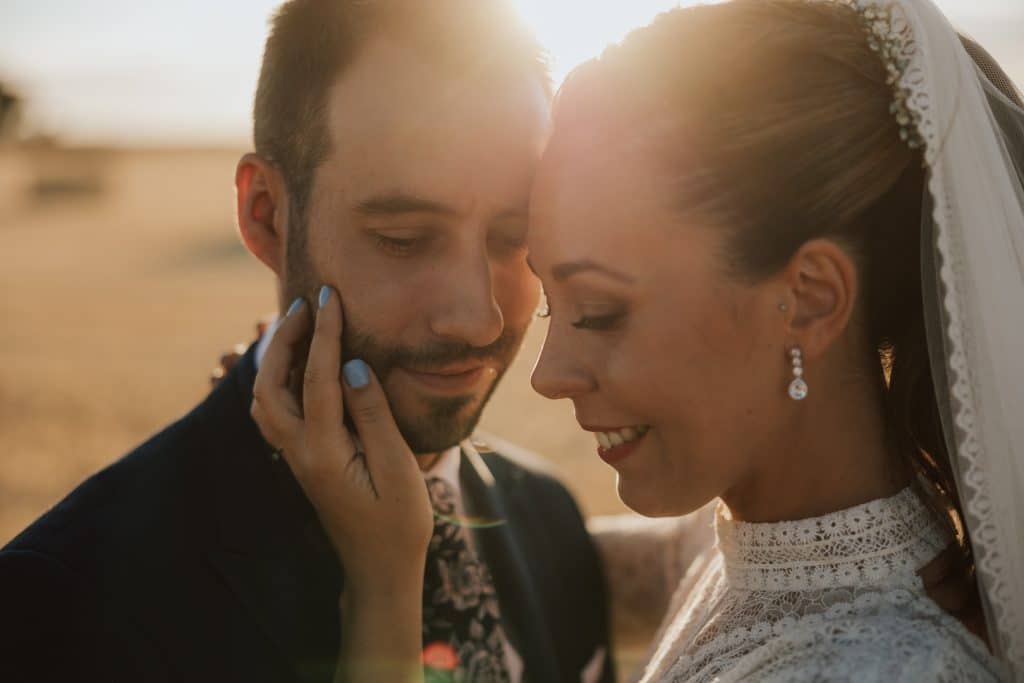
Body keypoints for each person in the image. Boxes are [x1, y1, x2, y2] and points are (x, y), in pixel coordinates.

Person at [268, 0, 1023, 680]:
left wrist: (382, 588)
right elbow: (551, 557)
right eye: (548, 307)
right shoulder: (740, 538)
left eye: (598, 311)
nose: (548, 374)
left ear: (811, 298)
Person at [0, 2, 615, 682]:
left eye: (512, 236)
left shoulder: (551, 518)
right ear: (264, 213)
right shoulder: (59, 605)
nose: (480, 320)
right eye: (403, 240)